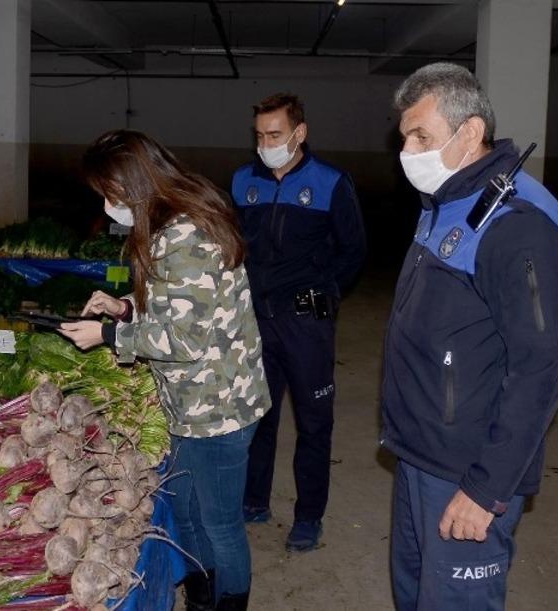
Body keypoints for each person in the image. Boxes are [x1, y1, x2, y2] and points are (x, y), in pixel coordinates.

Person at [382, 63, 558, 610]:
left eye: (422, 136)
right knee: (414, 593)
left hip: (467, 468)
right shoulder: (447, 201)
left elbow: (544, 364)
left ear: (469, 133)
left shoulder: (517, 224)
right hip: (421, 450)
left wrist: (486, 489)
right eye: (405, 137)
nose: (408, 151)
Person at [59, 130, 270, 611]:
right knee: (192, 515)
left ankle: (228, 602)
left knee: (220, 524)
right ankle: (201, 596)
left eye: (109, 195)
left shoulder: (185, 236)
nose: (108, 205)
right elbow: (183, 304)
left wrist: (109, 337)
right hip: (193, 405)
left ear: (131, 186)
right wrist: (126, 306)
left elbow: (186, 339)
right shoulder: (170, 224)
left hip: (219, 410)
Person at [231, 93, 366, 552]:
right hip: (256, 321)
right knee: (258, 415)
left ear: (298, 133)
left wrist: (324, 296)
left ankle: (308, 516)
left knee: (313, 422)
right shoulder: (242, 181)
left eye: (274, 135)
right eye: (259, 136)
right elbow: (232, 245)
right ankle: (254, 500)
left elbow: (353, 251)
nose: (265, 143)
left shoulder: (330, 183)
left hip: (306, 323)